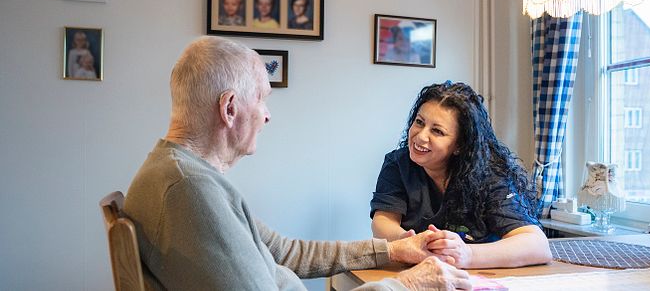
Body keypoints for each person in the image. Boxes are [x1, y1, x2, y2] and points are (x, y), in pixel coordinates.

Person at [123, 37, 472, 290]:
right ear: (229, 109)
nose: (267, 115)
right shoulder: (189, 190)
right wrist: (407, 286)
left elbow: (285, 252)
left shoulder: (184, 175)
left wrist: (392, 249)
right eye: (262, 99)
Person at [370, 82, 552, 269]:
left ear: (460, 145)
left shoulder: (491, 175)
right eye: (419, 122)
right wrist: (409, 242)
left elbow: (537, 245)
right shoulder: (398, 163)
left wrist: (467, 255)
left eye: (437, 131)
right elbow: (383, 221)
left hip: (482, 278)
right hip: (418, 273)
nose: (420, 136)